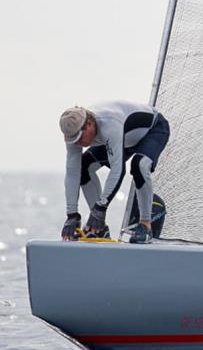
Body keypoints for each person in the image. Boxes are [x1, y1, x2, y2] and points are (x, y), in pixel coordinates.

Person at [59, 101, 170, 244]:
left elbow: (118, 170)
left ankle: (145, 225)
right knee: (83, 166)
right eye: (73, 140)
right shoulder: (75, 134)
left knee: (139, 165)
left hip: (153, 130)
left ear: (89, 124)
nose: (77, 143)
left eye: (79, 138)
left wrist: (101, 207)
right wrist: (72, 215)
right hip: (125, 140)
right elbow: (73, 172)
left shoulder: (109, 124)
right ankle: (99, 229)